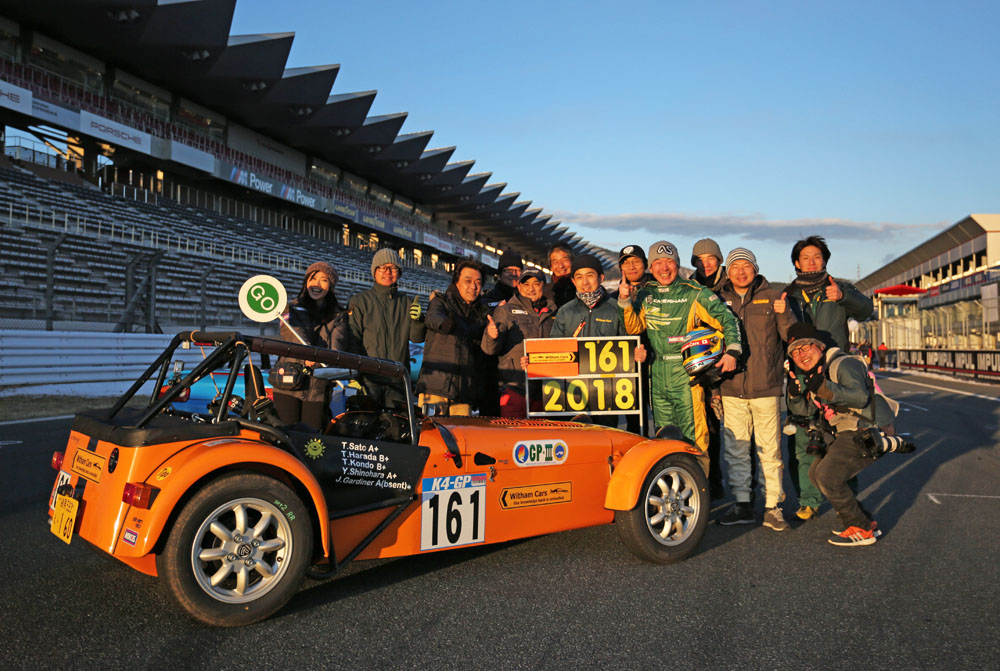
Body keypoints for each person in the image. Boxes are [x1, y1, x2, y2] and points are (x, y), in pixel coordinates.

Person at [619, 241, 742, 476]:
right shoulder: (646, 293)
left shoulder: (694, 292)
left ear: (677, 264)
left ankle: (700, 491)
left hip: (687, 376)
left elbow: (727, 319)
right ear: (651, 267)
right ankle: (673, 491)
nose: (664, 268)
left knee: (695, 440)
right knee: (664, 441)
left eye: (670, 262)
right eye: (658, 263)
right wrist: (625, 301)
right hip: (657, 374)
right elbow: (634, 328)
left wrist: (733, 351)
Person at [783, 322, 912, 546]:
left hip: (865, 428)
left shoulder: (843, 364)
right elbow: (807, 411)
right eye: (795, 352)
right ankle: (863, 521)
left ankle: (860, 529)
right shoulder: (816, 373)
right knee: (816, 473)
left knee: (828, 476)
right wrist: (795, 395)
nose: (801, 355)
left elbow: (860, 397)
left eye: (805, 347)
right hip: (846, 429)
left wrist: (823, 388)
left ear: (819, 346)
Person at [783, 235, 874, 521]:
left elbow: (867, 310)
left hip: (835, 370)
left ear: (824, 261)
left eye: (817, 257)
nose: (811, 262)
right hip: (800, 371)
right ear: (797, 263)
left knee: (843, 439)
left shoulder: (839, 288)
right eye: (805, 258)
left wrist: (844, 297)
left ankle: (844, 499)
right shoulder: (787, 295)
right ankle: (808, 500)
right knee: (803, 439)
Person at [714, 249, 796, 530]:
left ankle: (773, 507)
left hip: (766, 386)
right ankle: (743, 504)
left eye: (746, 266)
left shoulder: (773, 296)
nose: (741, 271)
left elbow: (790, 336)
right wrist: (714, 387)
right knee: (736, 450)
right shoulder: (717, 299)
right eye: (735, 266)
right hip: (731, 385)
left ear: (755, 269)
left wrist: (785, 315)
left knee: (770, 451)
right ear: (728, 272)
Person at [551, 254, 639, 427]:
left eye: (590, 275)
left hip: (607, 391)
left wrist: (635, 355)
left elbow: (628, 344)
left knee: (606, 435)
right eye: (579, 277)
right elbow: (553, 349)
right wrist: (533, 360)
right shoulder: (565, 311)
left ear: (601, 278)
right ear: (573, 281)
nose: (585, 282)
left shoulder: (615, 309)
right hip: (573, 390)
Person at [271, 262, 349, 429]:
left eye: (324, 280)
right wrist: (307, 355)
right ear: (306, 282)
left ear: (331, 286)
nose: (317, 284)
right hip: (288, 381)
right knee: (286, 434)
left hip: (317, 387)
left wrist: (324, 360)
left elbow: (337, 345)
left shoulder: (339, 316)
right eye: (313, 279)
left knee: (312, 438)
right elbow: (293, 335)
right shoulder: (291, 308)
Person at [347, 248, 426, 408]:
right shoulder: (360, 301)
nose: (388, 272)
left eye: (393, 268)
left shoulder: (407, 302)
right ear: (374, 272)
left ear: (399, 273)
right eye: (383, 267)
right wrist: (354, 374)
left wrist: (418, 321)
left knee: (396, 421)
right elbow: (352, 339)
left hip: (397, 379)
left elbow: (417, 338)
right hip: (368, 378)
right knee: (368, 420)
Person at [417, 260, 492, 416]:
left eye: (478, 282)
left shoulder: (482, 314)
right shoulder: (441, 301)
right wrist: (444, 323)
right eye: (468, 281)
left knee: (461, 432)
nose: (473, 286)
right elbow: (432, 317)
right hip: (435, 389)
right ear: (456, 282)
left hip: (464, 393)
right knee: (430, 431)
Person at [481, 266, 557, 417]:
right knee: (513, 432)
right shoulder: (506, 310)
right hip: (515, 388)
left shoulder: (554, 311)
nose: (531, 289)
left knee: (543, 432)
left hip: (546, 390)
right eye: (526, 284)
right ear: (519, 286)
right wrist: (491, 336)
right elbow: (489, 349)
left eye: (536, 284)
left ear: (543, 285)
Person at [689, 237, 727, 497]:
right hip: (696, 366)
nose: (705, 264)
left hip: (723, 365)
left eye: (710, 258)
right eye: (699, 260)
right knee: (701, 429)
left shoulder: (729, 285)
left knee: (722, 430)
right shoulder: (689, 287)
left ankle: (722, 485)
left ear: (719, 260)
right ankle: (703, 483)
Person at [618, 244, 653, 435]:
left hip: (656, 366)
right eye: (626, 263)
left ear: (645, 264)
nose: (631, 267)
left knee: (662, 422)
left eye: (636, 261)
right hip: (629, 369)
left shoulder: (658, 290)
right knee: (634, 425)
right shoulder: (614, 298)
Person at [545, 243, 577, 308]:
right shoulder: (545, 292)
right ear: (551, 267)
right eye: (555, 262)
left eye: (564, 260)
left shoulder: (582, 288)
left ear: (572, 261)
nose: (561, 266)